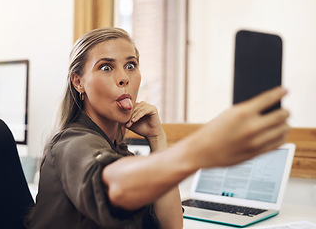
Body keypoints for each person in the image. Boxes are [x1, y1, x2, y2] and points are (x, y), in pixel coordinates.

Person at [29, 27, 289, 229]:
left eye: (130, 65)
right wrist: (200, 149)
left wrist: (157, 138)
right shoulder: (71, 143)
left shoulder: (118, 150)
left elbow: (172, 225)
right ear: (78, 82)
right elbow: (113, 185)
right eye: (106, 67)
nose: (124, 77)